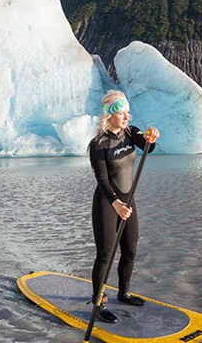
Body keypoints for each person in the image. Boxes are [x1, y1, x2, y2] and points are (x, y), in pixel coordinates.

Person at [88, 90, 160, 323]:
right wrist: (116, 203)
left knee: (130, 248)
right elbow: (102, 179)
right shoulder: (99, 144)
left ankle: (124, 293)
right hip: (107, 203)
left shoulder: (131, 132)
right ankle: (99, 303)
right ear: (110, 115)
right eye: (121, 114)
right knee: (106, 255)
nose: (127, 118)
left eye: (127, 113)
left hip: (128, 202)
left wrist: (151, 139)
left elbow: (147, 147)